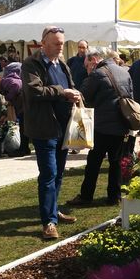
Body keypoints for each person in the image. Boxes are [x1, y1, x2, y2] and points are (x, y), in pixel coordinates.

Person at [21, 26, 81, 240]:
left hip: (63, 127)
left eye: (62, 43)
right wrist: (62, 92)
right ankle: (48, 222)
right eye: (56, 43)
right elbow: (34, 90)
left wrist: (74, 93)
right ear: (43, 43)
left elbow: (69, 85)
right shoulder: (31, 64)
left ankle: (53, 211)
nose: (60, 47)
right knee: (48, 174)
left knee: (58, 174)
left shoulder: (62, 64)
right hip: (44, 128)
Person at [68, 48, 132, 207]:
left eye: (87, 63)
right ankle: (114, 196)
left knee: (94, 162)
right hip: (121, 124)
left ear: (94, 59)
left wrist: (89, 76)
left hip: (102, 126)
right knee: (115, 162)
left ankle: (86, 195)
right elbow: (130, 95)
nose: (87, 67)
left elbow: (84, 97)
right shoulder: (124, 72)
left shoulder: (97, 74)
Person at [0, 61, 30, 156]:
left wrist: (8, 98)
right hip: (24, 106)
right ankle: (25, 148)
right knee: (25, 127)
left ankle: (23, 149)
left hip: (22, 106)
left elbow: (16, 86)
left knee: (24, 128)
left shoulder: (7, 80)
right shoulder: (18, 78)